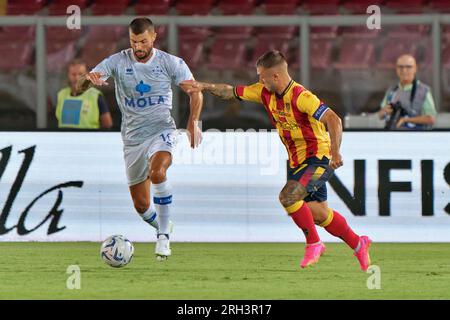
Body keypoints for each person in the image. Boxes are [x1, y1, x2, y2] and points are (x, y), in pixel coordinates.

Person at [182, 50, 372, 270]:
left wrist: (336, 151)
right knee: (319, 214)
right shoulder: (264, 92)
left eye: (263, 77)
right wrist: (203, 86)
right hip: (297, 162)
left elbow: (333, 119)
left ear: (276, 77)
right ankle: (359, 244)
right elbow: (230, 92)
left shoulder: (301, 96)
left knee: (288, 197)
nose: (260, 80)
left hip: (318, 159)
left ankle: (314, 244)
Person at [76, 18, 203, 261]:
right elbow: (81, 85)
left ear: (154, 37)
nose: (138, 46)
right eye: (134, 41)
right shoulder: (117, 61)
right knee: (141, 206)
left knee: (158, 173)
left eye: (143, 41)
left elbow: (195, 91)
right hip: (132, 139)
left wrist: (193, 121)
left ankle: (163, 237)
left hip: (161, 130)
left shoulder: (170, 63)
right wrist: (87, 80)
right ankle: (162, 225)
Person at [378, 54, 437, 130]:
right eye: (400, 67)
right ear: (396, 69)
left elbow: (431, 119)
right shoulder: (392, 90)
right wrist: (385, 111)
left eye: (408, 67)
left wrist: (406, 120)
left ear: (415, 69)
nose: (404, 70)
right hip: (392, 136)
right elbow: (380, 115)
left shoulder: (423, 91)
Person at [55, 59, 113, 129]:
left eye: (80, 74)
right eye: (73, 74)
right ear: (68, 75)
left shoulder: (96, 96)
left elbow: (107, 124)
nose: (76, 78)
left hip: (88, 139)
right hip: (64, 138)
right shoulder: (61, 95)